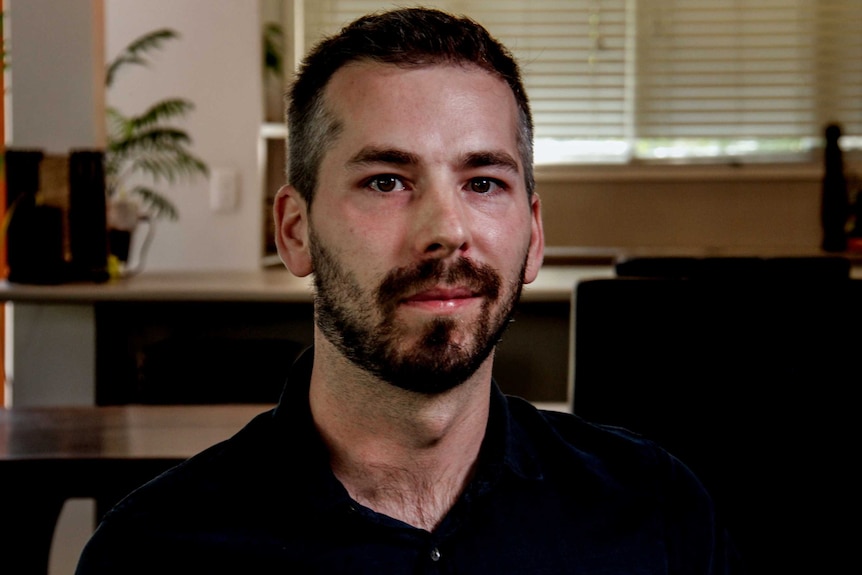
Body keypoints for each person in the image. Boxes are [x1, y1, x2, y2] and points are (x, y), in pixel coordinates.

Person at [76, 7, 740, 574]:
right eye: (387, 180)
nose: (446, 231)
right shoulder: (155, 551)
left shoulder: (657, 515)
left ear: (533, 235)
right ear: (295, 230)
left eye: (483, 182)